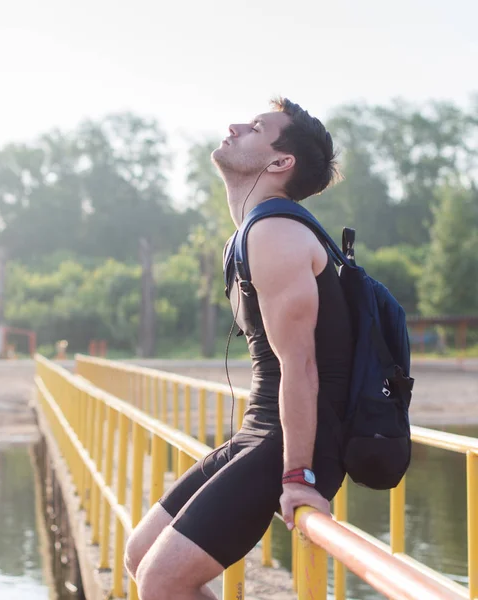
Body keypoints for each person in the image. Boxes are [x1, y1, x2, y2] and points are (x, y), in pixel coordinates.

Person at [124, 98, 354, 600]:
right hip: (262, 427)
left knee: (162, 582)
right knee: (142, 556)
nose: (234, 127)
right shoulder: (254, 231)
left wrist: (298, 476)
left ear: (280, 162)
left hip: (296, 439)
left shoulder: (276, 233)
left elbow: (303, 366)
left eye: (255, 128)